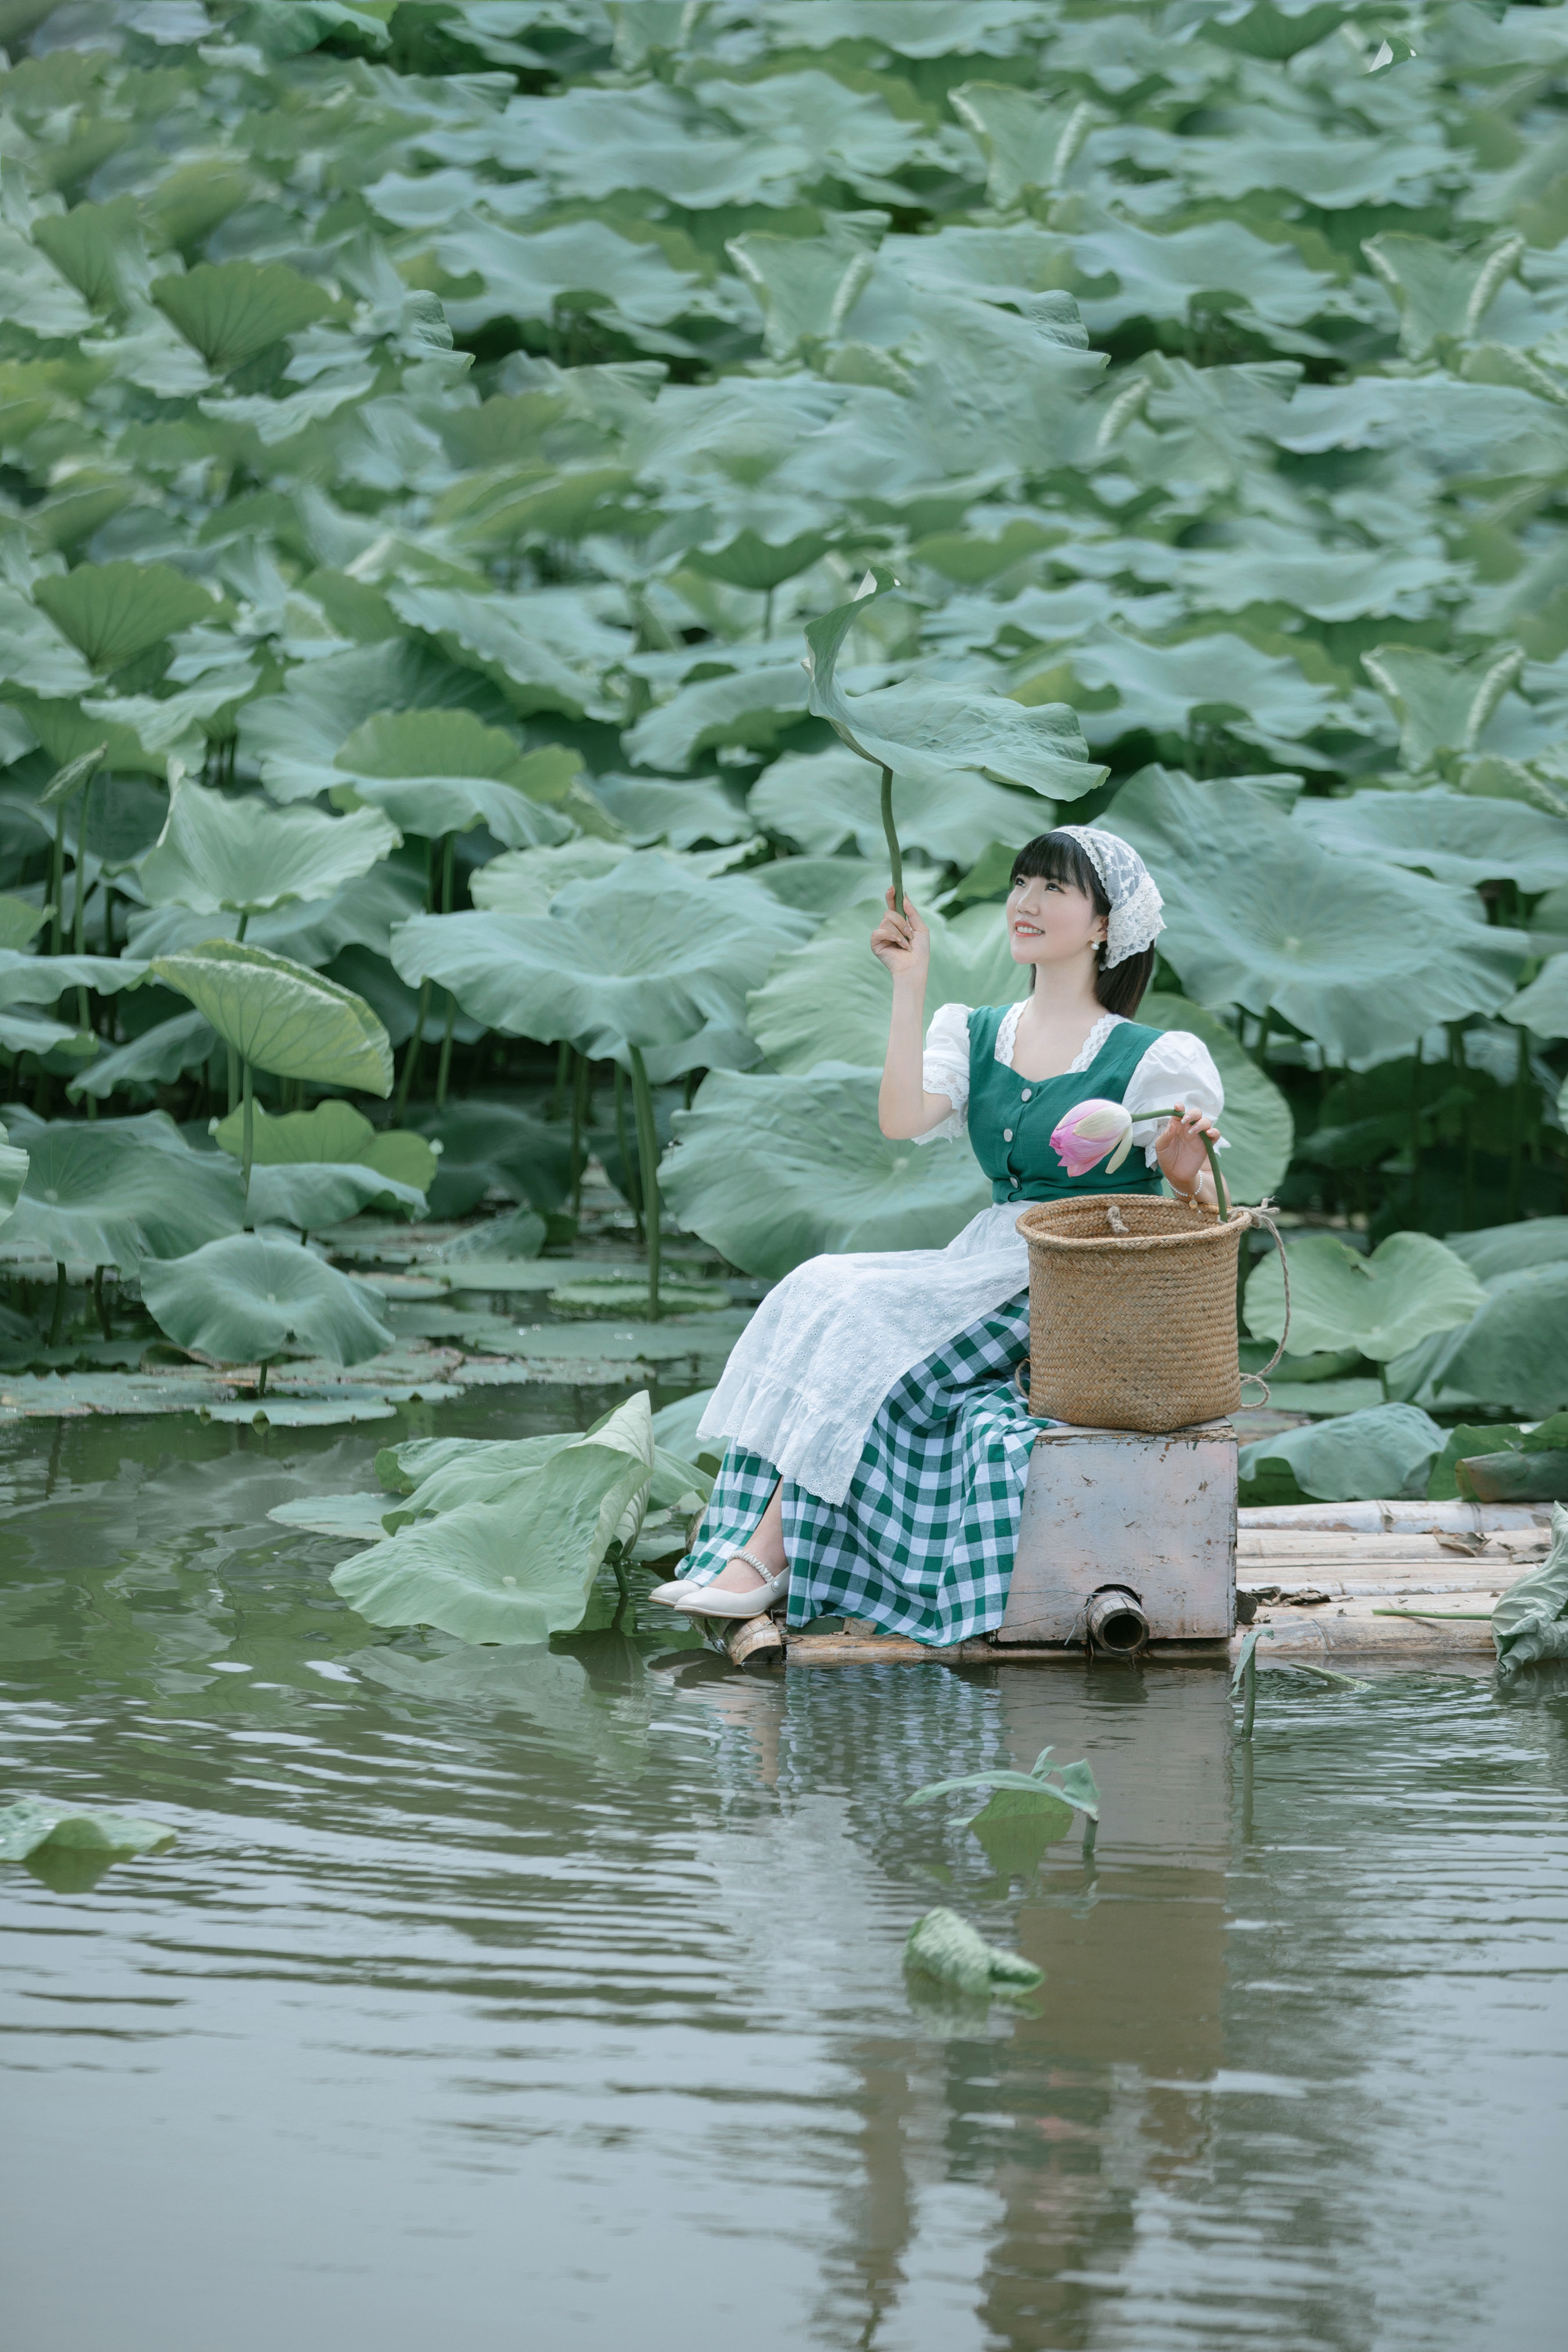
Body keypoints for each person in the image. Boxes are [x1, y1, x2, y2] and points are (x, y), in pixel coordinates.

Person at [648, 826, 1226, 1641]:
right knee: (821, 1284)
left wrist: (1179, 1164)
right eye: (1022, 883)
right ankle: (744, 1551)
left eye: (1053, 889)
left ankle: (767, 1561)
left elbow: (1204, 1198)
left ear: (1105, 925)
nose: (1025, 902)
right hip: (986, 1258)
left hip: (1079, 1274)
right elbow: (901, 1119)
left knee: (863, 1320)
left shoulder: (1156, 1056)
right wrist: (909, 984)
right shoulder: (980, 1030)